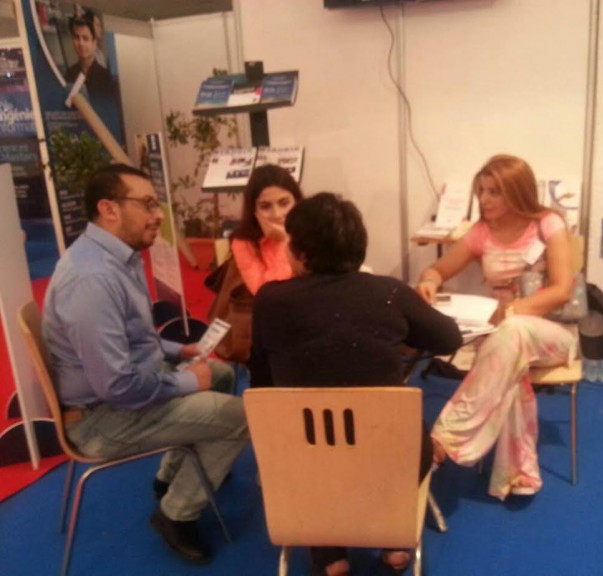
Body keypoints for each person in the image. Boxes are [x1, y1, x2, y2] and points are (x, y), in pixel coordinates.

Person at [43, 164, 249, 565]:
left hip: (122, 392)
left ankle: (170, 475)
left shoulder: (116, 256)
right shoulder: (92, 279)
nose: (158, 215)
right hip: (102, 418)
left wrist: (179, 352)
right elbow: (117, 386)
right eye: (149, 204)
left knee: (222, 375)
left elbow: (133, 338)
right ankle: (176, 514)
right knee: (241, 417)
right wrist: (188, 383)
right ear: (109, 209)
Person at [249, 192, 462, 576]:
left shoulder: (270, 301)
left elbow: (261, 380)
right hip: (391, 457)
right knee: (395, 441)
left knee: (317, 454)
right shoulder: (389, 293)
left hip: (301, 459)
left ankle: (330, 557)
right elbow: (449, 339)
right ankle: (394, 543)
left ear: (301, 253)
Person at [415, 154, 577, 500]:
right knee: (511, 358)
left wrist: (513, 312)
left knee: (513, 330)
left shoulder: (548, 224)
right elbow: (439, 270)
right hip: (504, 340)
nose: (484, 200)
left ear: (517, 192)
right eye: (481, 191)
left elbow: (563, 290)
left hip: (553, 335)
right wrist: (429, 280)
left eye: (494, 192)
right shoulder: (481, 232)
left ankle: (443, 440)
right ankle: (519, 474)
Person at [229, 164, 304, 296]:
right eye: (265, 206)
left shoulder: (314, 228)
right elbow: (265, 294)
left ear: (296, 201)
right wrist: (284, 243)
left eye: (284, 203)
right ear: (254, 210)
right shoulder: (243, 242)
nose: (277, 214)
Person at [64, 14, 113, 102]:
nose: (81, 43)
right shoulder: (69, 74)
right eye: (77, 37)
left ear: (94, 42)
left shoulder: (105, 77)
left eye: (85, 38)